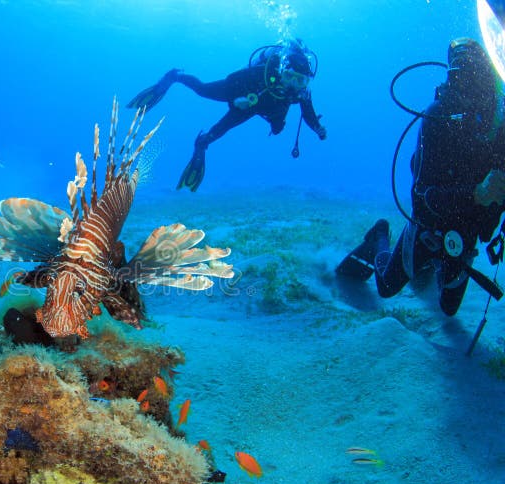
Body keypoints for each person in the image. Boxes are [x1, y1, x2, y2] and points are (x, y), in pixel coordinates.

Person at [336, 38, 505, 316]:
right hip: (431, 225)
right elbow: (421, 198)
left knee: (448, 308)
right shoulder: (437, 116)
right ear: (451, 77)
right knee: (386, 286)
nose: (471, 89)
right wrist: (477, 194)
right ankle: (379, 235)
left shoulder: (500, 126)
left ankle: (431, 265)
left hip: (465, 231)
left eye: (478, 79)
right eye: (461, 78)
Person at [126, 38, 327, 192]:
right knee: (203, 90)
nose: (293, 85)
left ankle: (202, 142)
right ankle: (174, 77)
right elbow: (233, 78)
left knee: (277, 130)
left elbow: (308, 113)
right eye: (290, 77)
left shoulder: (301, 92)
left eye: (300, 81)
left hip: (269, 108)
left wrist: (318, 128)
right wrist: (237, 99)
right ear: (282, 70)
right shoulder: (264, 73)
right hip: (245, 100)